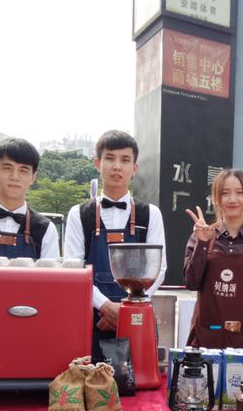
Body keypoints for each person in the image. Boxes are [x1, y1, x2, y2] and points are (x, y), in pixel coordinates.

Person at [64, 130, 166, 360]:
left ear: (135, 168)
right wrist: (105, 306)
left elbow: (159, 268)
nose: (117, 166)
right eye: (110, 158)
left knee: (140, 379)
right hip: (91, 319)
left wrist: (127, 310)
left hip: (138, 317)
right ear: (97, 164)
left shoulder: (151, 214)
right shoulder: (78, 214)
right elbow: (74, 271)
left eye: (125, 160)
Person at [183, 169, 243, 360]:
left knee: (237, 379)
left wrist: (239, 323)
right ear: (216, 198)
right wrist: (202, 243)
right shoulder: (201, 236)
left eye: (239, 192)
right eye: (225, 193)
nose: (232, 199)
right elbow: (191, 282)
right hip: (205, 333)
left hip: (240, 337)